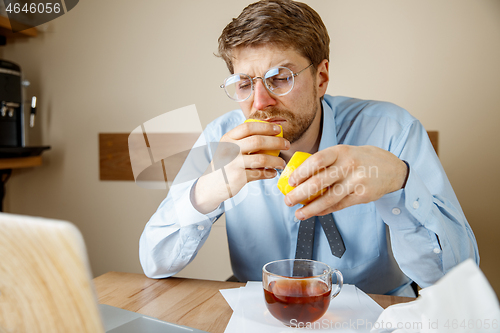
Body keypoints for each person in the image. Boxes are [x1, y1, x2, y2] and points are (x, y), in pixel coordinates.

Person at [139, 0, 479, 297]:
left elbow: (455, 278)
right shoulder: (221, 138)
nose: (260, 102)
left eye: (281, 77)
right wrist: (203, 192)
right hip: (261, 310)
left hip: (378, 311)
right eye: (245, 83)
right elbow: (154, 263)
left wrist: (400, 183)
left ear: (321, 77)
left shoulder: (392, 130)